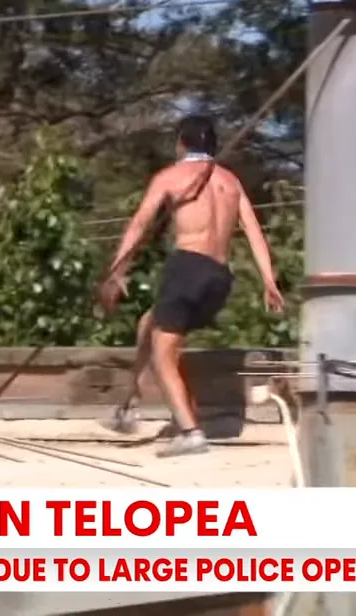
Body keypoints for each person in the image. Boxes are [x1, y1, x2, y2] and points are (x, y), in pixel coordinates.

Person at [96, 115, 284, 458]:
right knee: (149, 323)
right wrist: (269, 280)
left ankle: (191, 432)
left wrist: (115, 271)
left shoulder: (171, 176)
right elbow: (254, 231)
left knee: (163, 354)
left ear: (181, 143)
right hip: (219, 277)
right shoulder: (231, 182)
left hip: (187, 267)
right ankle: (129, 406)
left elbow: (140, 224)